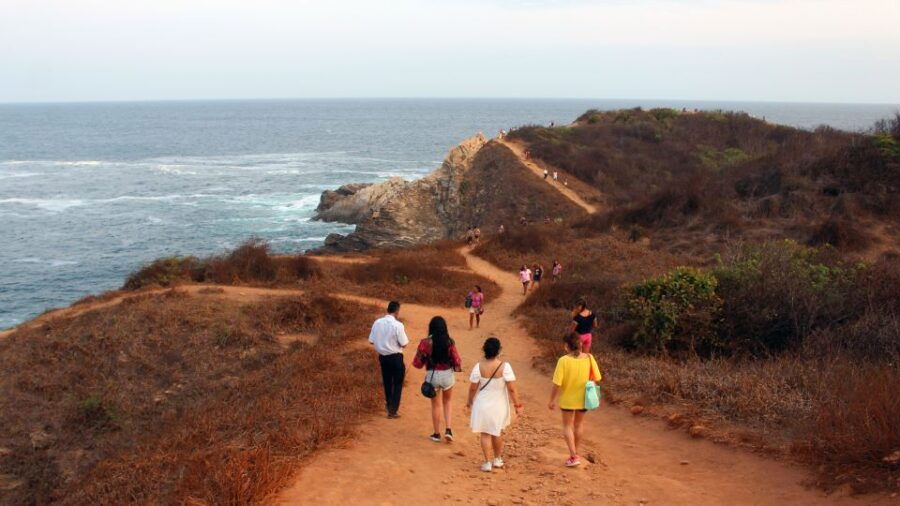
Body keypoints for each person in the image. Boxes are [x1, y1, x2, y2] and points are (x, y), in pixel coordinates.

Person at [467, 337, 523, 472]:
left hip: (482, 404)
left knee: (485, 434)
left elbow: (473, 388)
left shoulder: (478, 367)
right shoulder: (505, 367)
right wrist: (517, 405)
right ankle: (497, 459)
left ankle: (487, 462)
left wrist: (469, 402)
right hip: (499, 405)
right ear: (498, 350)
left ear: (484, 350)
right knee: (496, 432)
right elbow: (511, 389)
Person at [548, 332, 601, 467]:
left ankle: (573, 456)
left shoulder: (563, 361)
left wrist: (551, 400)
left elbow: (557, 383)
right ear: (580, 344)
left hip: (567, 399)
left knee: (567, 426)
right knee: (578, 425)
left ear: (567, 346)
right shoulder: (589, 358)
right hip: (583, 398)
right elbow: (597, 378)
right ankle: (575, 452)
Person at [413, 316, 463, 442]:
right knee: (447, 402)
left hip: (432, 376)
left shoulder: (425, 343)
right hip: (447, 375)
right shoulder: (449, 342)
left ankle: (436, 434)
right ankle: (449, 430)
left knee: (436, 405)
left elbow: (417, 363)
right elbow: (457, 360)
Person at [369, 301, 410, 418]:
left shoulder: (377, 323)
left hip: (383, 357)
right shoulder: (398, 325)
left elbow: (371, 340)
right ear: (397, 311)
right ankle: (393, 410)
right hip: (396, 357)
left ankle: (388, 404)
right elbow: (404, 343)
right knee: (397, 383)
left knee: (387, 382)